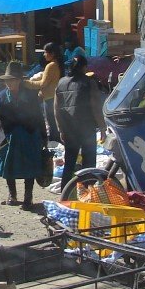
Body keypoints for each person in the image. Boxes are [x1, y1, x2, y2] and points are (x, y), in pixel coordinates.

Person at [0, 62, 46, 209]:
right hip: (9, 137)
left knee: (30, 166)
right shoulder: (2, 97)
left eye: (13, 80)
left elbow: (38, 115)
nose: (9, 83)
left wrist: (43, 135)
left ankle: (28, 197)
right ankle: (12, 195)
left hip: (29, 135)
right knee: (9, 166)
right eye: (7, 80)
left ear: (19, 80)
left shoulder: (30, 95)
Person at [53, 55, 106, 190]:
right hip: (86, 128)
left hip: (69, 128)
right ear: (84, 67)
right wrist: (103, 128)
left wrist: (61, 129)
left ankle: (66, 192)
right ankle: (88, 191)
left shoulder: (61, 83)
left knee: (70, 161)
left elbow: (56, 109)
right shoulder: (89, 83)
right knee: (89, 161)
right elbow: (96, 107)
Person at [28, 42, 63, 141]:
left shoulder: (50, 66)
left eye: (45, 52)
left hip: (50, 99)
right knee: (54, 123)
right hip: (54, 97)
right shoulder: (57, 64)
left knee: (52, 124)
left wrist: (26, 83)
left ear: (52, 54)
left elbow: (42, 84)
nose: (43, 55)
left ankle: (54, 142)